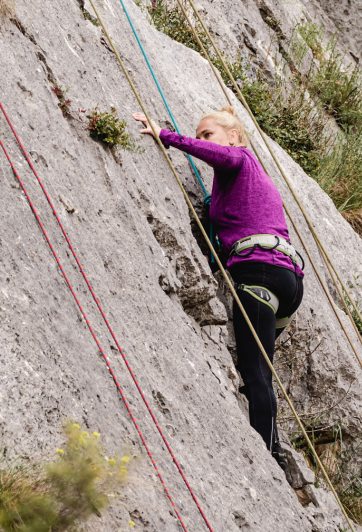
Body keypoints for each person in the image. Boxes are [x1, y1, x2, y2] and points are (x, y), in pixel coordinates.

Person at [134, 106, 304, 470]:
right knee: (261, 371)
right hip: (285, 282)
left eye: (207, 133)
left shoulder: (240, 157)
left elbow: (220, 155)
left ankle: (267, 455)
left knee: (255, 371)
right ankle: (272, 444)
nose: (202, 139)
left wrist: (166, 135)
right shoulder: (238, 186)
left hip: (261, 272)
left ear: (233, 135)